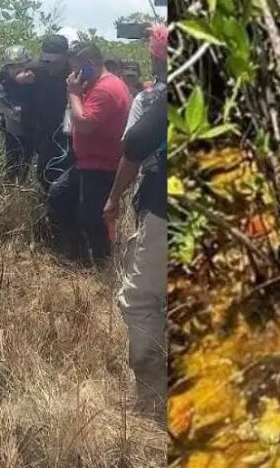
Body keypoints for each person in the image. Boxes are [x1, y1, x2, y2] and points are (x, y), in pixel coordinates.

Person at [105, 24, 167, 418]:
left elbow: (135, 145)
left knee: (141, 299)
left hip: (165, 209)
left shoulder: (161, 98)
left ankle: (152, 401)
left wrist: (114, 197)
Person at [47, 41, 130, 266]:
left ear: (90, 64)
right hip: (88, 162)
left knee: (92, 218)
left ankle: (101, 264)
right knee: (60, 194)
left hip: (102, 165)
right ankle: (77, 254)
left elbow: (84, 124)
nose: (73, 75)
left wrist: (74, 94)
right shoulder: (95, 85)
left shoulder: (105, 89)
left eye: (77, 68)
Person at [25, 35, 72, 192]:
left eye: (55, 62)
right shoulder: (35, 69)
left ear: (66, 57)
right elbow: (6, 74)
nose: (50, 66)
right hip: (44, 131)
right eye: (46, 61)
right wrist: (18, 79)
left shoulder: (75, 72)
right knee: (44, 173)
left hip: (70, 132)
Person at [0, 45, 37, 183]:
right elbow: (4, 104)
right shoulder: (3, 81)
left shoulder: (36, 77)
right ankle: (11, 186)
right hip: (14, 127)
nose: (16, 69)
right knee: (13, 161)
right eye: (12, 66)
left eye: (20, 65)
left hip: (36, 126)